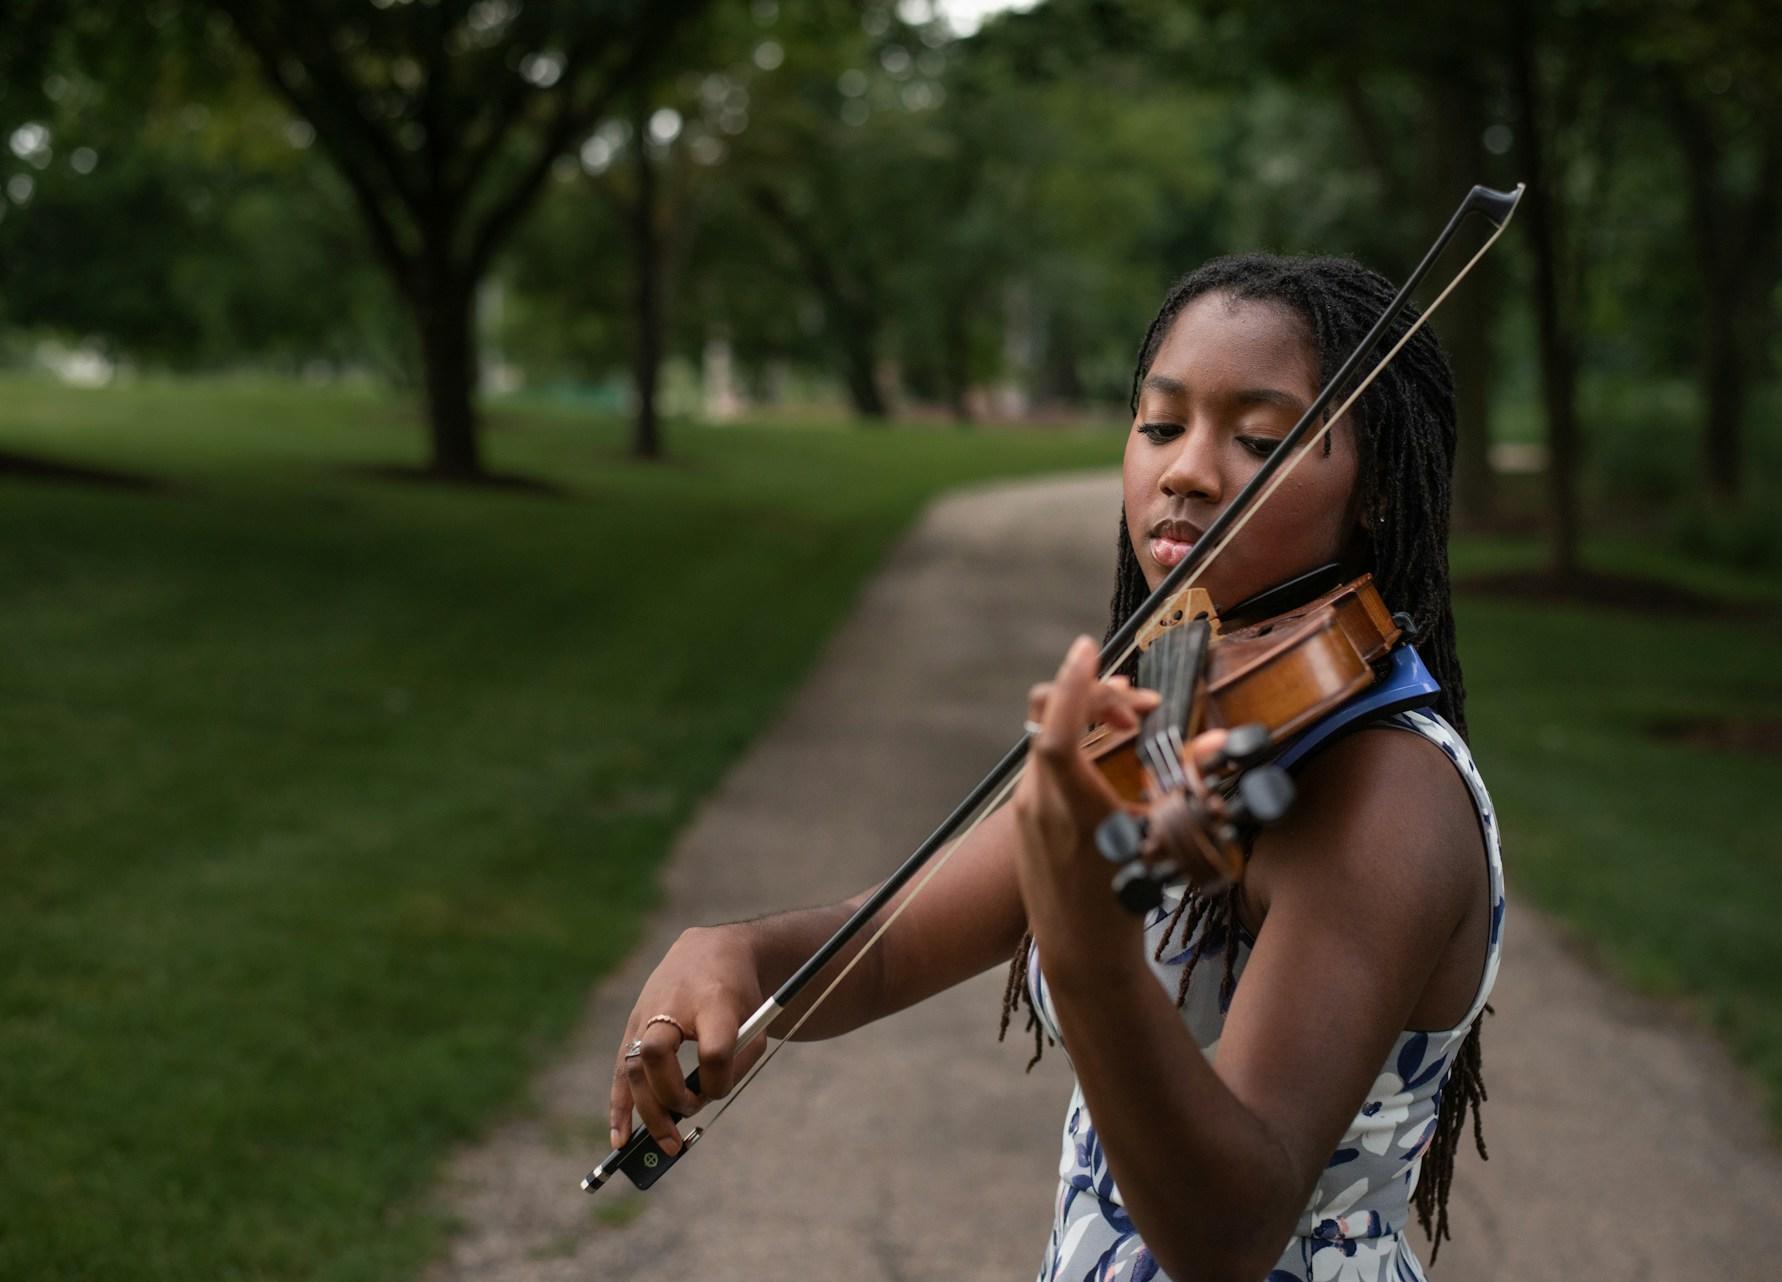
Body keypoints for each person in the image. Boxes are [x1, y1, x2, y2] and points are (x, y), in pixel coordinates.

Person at [609, 253, 1506, 1282]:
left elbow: (1231, 1229)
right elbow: (898, 948)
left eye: (1260, 438)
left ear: (1380, 488)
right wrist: (742, 960)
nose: (1187, 470)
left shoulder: (1383, 790)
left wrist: (1088, 945)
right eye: (1162, 425)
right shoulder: (1184, 684)